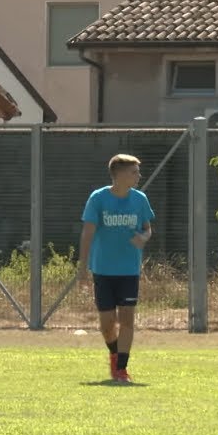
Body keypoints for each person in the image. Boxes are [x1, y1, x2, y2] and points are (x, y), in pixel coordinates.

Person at [77, 154, 155, 383]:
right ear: (119, 174)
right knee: (107, 324)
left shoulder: (140, 199)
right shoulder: (98, 198)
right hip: (103, 269)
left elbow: (148, 228)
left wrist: (144, 236)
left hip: (129, 270)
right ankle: (114, 353)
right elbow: (88, 233)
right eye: (134, 172)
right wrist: (83, 268)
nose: (138, 176)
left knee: (127, 320)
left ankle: (121, 368)